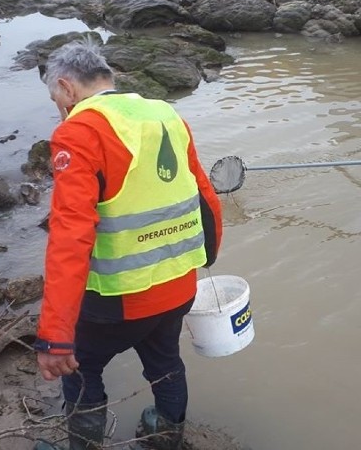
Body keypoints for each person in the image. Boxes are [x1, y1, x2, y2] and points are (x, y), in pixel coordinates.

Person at [33, 40, 223, 450]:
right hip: (178, 283)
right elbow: (205, 196)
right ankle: (165, 435)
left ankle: (83, 445)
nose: (58, 107)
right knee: (166, 363)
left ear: (67, 88)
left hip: (117, 299)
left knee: (81, 370)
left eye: (55, 98)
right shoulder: (165, 113)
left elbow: (70, 235)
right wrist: (206, 257)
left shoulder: (78, 131)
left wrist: (54, 335)